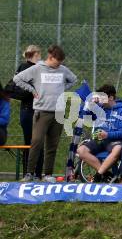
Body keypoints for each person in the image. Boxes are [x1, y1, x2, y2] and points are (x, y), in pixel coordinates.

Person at [15, 45, 77, 182]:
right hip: (42, 112)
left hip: (58, 113)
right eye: (57, 62)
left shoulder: (62, 70)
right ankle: (29, 173)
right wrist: (32, 90)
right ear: (50, 57)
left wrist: (62, 88)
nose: (59, 65)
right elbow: (17, 79)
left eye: (61, 63)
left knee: (52, 145)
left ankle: (48, 174)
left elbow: (74, 79)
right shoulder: (37, 69)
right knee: (36, 142)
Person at [76, 84, 122, 183]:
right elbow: (82, 114)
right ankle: (106, 174)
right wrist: (89, 104)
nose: (100, 99)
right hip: (99, 140)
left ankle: (98, 175)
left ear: (111, 97)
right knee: (81, 150)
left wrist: (108, 135)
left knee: (118, 148)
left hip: (114, 141)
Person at [14, 45, 44, 177]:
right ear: (35, 54)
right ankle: (29, 172)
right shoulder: (24, 68)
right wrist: (32, 90)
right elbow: (16, 87)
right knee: (31, 141)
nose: (41, 57)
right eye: (39, 54)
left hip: (37, 110)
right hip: (28, 109)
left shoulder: (41, 68)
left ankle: (35, 172)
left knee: (36, 141)